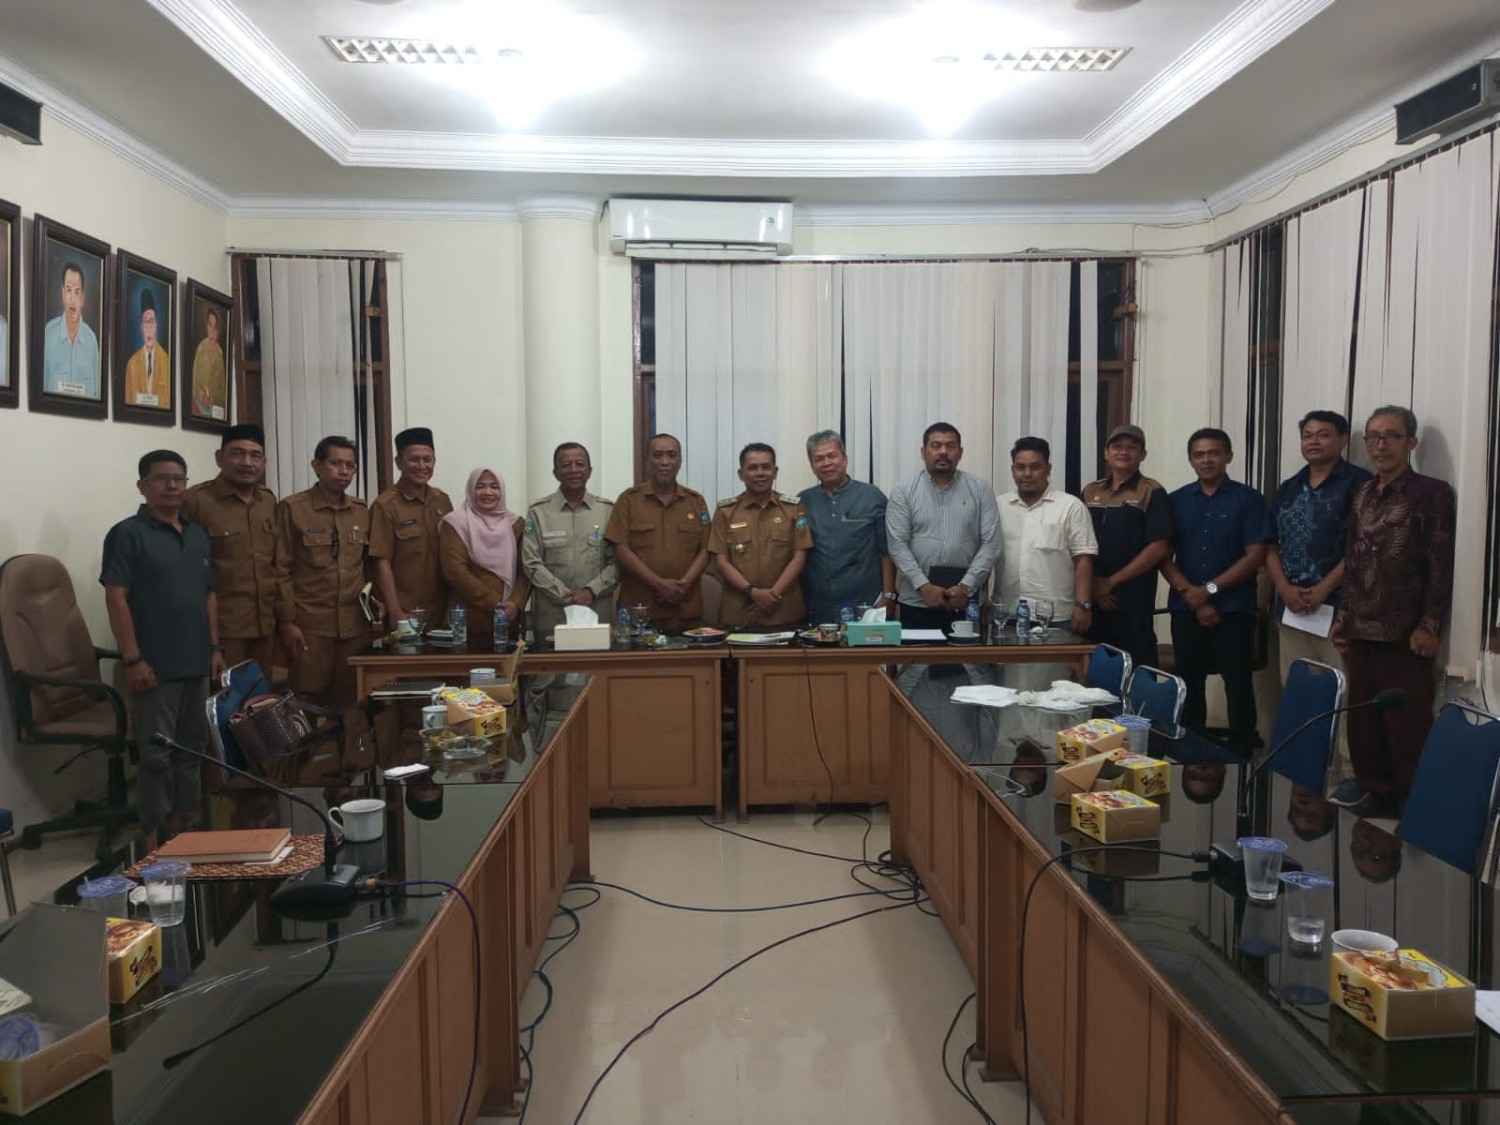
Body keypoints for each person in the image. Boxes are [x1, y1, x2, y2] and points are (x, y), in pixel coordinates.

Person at [1331, 405, 1455, 816]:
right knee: (1363, 723)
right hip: (1360, 626)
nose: (1380, 445)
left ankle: (1410, 805)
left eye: (1391, 436)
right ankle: (1376, 794)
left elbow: (1439, 564)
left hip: (1404, 631)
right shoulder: (1362, 493)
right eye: (1374, 437)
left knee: (1406, 725)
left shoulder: (1431, 493)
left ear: (1411, 443)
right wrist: (1343, 618)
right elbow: (1353, 559)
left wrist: (1430, 624)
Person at [101, 450, 219, 846]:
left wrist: (215, 648)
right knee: (156, 755)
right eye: (161, 479)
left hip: (196, 660)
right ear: (142, 486)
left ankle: (185, 827)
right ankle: (153, 836)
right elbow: (116, 597)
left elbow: (209, 595)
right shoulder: (127, 534)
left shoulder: (198, 533)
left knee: (193, 750)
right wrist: (132, 659)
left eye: (179, 479)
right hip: (154, 664)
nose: (171, 486)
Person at [1266, 410, 1371, 781]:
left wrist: (1325, 588)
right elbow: (1269, 544)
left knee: (1344, 689)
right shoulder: (1289, 487)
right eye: (1307, 435)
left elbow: (1362, 545)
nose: (1313, 441)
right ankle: (1303, 765)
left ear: (1342, 440)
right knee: (1298, 688)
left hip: (1340, 609)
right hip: (1291, 607)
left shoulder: (1359, 484)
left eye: (1323, 434)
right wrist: (1284, 588)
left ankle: (1345, 771)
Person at [1161, 428, 1271, 753]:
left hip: (1234, 609)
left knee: (1237, 682)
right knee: (1188, 681)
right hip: (1186, 607)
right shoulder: (1175, 501)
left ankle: (1242, 751)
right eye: (1199, 454)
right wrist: (1192, 596)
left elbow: (1256, 555)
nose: (1206, 460)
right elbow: (1162, 555)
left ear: (1228, 456)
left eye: (1214, 453)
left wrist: (1208, 591)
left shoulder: (1249, 499)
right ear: (1191, 460)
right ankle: (1192, 748)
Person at [272, 436, 372, 709]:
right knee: (306, 702)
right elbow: (280, 569)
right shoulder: (293, 509)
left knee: (352, 701)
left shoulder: (361, 511)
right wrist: (286, 622)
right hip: (310, 626)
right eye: (335, 463)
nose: (343, 471)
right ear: (316, 466)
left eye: (350, 466)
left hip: (353, 627)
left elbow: (367, 567)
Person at [183, 423, 279, 672]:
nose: (247, 462)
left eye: (255, 455)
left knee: (260, 694)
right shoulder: (195, 501)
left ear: (264, 462)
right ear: (219, 458)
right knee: (225, 694)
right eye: (237, 453)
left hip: (265, 624)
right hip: (221, 629)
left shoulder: (268, 501)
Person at [886, 422, 1000, 630]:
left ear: (960, 452)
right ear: (923, 452)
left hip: (966, 602)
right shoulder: (903, 491)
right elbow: (897, 545)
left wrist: (966, 586)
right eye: (936, 445)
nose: (943, 452)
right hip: (917, 602)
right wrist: (924, 586)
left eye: (950, 446)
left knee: (969, 652)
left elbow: (991, 543)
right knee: (918, 653)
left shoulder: (980, 489)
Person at [1081, 424, 1173, 670]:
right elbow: (1078, 542)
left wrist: (1111, 583)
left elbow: (1159, 547)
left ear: (1143, 455)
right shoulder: (1090, 491)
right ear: (1106, 453)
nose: (1123, 452)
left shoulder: (1152, 491)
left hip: (1133, 598)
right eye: (1117, 447)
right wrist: (1093, 585)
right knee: (1095, 671)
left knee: (1137, 669)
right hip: (1093, 596)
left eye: (1132, 448)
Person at [606, 434, 711, 631]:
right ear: (647, 460)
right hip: (640, 610)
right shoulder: (628, 500)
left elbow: (706, 549)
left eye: (671, 455)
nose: (665, 462)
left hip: (685, 608)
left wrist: (683, 585)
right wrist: (659, 585)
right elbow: (620, 548)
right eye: (657, 455)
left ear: (680, 461)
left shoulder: (696, 501)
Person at [995, 436, 1098, 635]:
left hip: (1056, 617)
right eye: (1020, 467)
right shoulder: (998, 506)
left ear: (1048, 469)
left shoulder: (1070, 506)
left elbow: (1083, 558)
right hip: (1006, 615)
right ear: (1012, 470)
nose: (1027, 474)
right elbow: (986, 556)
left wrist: (1083, 605)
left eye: (1035, 467)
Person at [521, 442, 618, 644]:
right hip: (552, 615)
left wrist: (591, 591)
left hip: (597, 611)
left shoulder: (608, 511)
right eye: (566, 465)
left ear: (589, 471)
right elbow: (531, 562)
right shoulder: (538, 512)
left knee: (598, 664)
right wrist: (565, 595)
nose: (573, 470)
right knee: (551, 665)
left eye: (579, 464)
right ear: (555, 472)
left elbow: (618, 562)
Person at [709, 443, 813, 630]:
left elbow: (799, 557)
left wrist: (773, 594)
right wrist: (752, 592)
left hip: (784, 611)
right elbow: (721, 562)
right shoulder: (725, 511)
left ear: (775, 472)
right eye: (753, 468)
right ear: (741, 474)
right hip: (739, 612)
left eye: (766, 467)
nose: (760, 473)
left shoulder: (793, 509)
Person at [797, 430, 895, 626]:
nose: (826, 463)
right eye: (819, 459)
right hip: (819, 605)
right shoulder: (803, 501)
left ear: (844, 459)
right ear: (812, 465)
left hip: (867, 603)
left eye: (832, 456)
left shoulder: (872, 496)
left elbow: (887, 551)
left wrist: (888, 595)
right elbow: (799, 554)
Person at [368, 427, 453, 629]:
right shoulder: (385, 505)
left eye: (427, 460)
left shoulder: (442, 500)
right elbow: (381, 562)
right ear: (399, 462)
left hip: (441, 611)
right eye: (414, 460)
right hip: (405, 612)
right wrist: (395, 611)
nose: (422, 466)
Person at [440, 468, 530, 650]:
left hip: (509, 622)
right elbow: (455, 571)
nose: (488, 492)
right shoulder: (455, 523)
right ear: (470, 490)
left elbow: (526, 570)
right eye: (480, 486)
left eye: (494, 487)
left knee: (508, 668)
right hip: (468, 622)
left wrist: (515, 603)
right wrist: (496, 604)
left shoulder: (516, 524)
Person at [42, 261, 101, 397]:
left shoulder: (91, 340)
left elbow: (97, 394)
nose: (72, 299)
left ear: (83, 298)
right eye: (68, 290)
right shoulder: (47, 334)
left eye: (77, 291)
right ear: (62, 293)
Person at [123, 289, 170, 407]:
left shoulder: (167, 362)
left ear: (156, 325)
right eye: (145, 322)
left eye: (151, 321)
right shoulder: (132, 364)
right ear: (141, 327)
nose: (149, 328)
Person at [192, 307, 228, 420]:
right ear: (206, 326)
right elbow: (194, 382)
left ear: (219, 330)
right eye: (210, 325)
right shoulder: (201, 348)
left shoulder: (220, 353)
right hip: (199, 407)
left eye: (215, 327)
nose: (212, 331)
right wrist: (201, 395)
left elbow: (222, 390)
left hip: (215, 410)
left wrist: (213, 399)